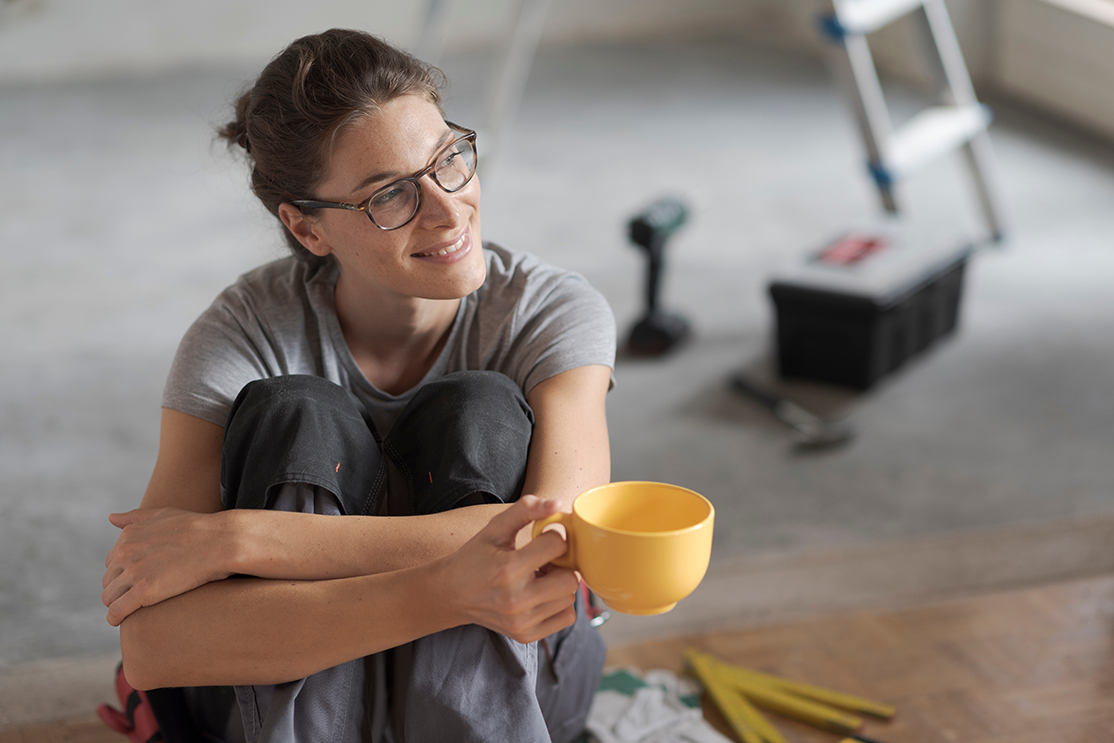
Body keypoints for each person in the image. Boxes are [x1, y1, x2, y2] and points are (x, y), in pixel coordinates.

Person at [99, 28, 616, 743]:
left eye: (450, 160)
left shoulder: (551, 310)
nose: (447, 209)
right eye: (390, 196)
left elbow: (552, 539)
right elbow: (155, 647)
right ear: (307, 229)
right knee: (296, 411)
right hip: (296, 701)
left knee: (480, 409)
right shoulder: (241, 334)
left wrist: (241, 539)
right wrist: (445, 582)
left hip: (516, 687)